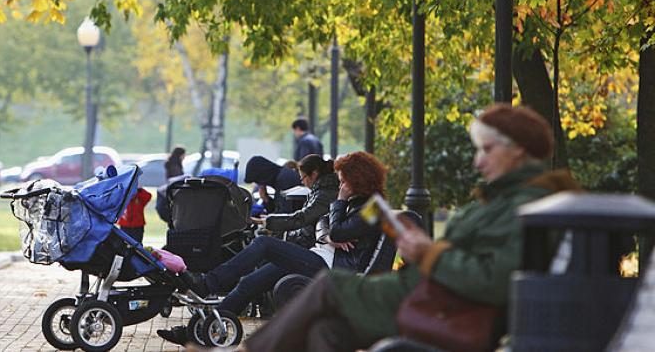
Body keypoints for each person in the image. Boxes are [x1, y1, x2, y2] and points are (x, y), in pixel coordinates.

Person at [241, 104, 580, 352]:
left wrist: (428, 253)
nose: (478, 161)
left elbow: (491, 280)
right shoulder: (506, 201)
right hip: (425, 293)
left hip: (434, 305)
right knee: (325, 333)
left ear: (518, 150)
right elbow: (331, 230)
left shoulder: (525, 206)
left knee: (326, 287)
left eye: (486, 150)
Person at [157, 152, 388, 345]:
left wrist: (339, 204)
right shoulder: (355, 201)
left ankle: (208, 283)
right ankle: (198, 330)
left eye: (343, 180)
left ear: (358, 179)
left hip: (334, 268)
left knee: (264, 244)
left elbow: (338, 231)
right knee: (249, 282)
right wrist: (328, 233)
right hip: (321, 256)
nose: (341, 184)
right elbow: (323, 224)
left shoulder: (373, 207)